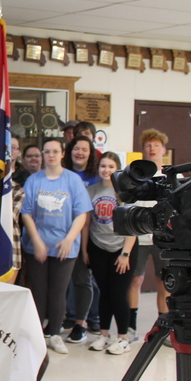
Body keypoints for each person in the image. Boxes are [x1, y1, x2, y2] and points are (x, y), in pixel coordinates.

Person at [20, 138, 91, 355]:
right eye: (47, 152)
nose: (51, 155)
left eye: (55, 151)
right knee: (38, 292)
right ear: (42, 155)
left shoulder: (73, 180)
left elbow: (82, 213)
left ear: (62, 154)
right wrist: (38, 241)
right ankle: (38, 335)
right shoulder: (34, 180)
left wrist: (70, 239)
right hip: (37, 247)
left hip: (64, 247)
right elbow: (26, 213)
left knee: (58, 292)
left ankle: (54, 335)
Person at [83, 152, 138, 355]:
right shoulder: (91, 190)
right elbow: (87, 224)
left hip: (122, 248)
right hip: (98, 247)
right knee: (103, 292)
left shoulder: (127, 192)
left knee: (117, 293)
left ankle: (123, 338)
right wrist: (85, 250)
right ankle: (104, 335)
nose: (106, 170)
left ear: (118, 169)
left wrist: (125, 254)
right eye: (103, 166)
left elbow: (132, 226)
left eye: (111, 166)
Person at [128, 128, 170, 339]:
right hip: (139, 237)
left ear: (164, 149)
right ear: (142, 150)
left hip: (163, 238)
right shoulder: (136, 175)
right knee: (136, 280)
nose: (151, 149)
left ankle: (163, 328)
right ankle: (131, 326)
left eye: (155, 145)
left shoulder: (173, 175)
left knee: (164, 282)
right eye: (147, 145)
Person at [61, 134, 101, 343]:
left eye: (85, 149)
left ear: (91, 153)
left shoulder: (96, 176)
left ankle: (88, 319)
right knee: (65, 280)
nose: (80, 153)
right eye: (77, 149)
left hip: (88, 235)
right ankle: (69, 316)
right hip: (63, 235)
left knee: (85, 280)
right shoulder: (62, 175)